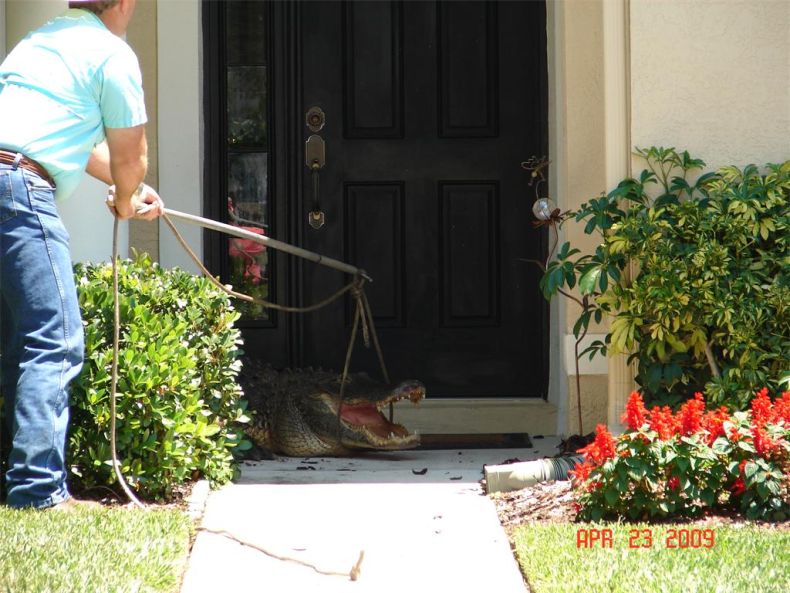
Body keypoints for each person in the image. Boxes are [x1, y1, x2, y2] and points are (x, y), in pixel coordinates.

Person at [0, 0, 163, 510]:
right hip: (19, 190)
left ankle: (23, 479)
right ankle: (37, 492)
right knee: (55, 339)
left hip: (9, 173)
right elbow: (130, 152)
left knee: (17, 335)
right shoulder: (112, 55)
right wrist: (126, 195)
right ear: (125, 3)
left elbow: (60, 141)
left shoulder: (41, 41)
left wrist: (128, 189)